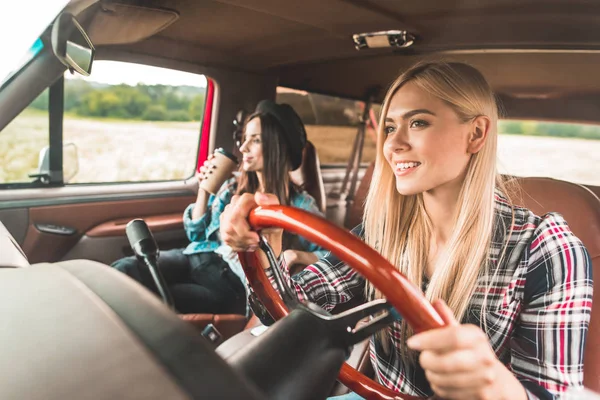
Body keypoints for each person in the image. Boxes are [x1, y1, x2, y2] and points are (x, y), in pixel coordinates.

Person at [219, 62, 593, 399]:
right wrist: (265, 251)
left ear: (476, 134)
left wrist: (498, 387)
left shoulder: (545, 249)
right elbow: (289, 314)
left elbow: (553, 395)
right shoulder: (381, 232)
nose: (393, 145)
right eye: (390, 127)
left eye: (418, 122)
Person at [112, 100, 327, 315]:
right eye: (245, 139)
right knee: (124, 270)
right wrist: (204, 189)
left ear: (278, 147)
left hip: (229, 281)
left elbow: (332, 254)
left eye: (256, 140)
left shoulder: (301, 204)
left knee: (153, 300)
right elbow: (196, 235)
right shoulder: (234, 187)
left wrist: (296, 255)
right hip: (199, 256)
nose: (243, 148)